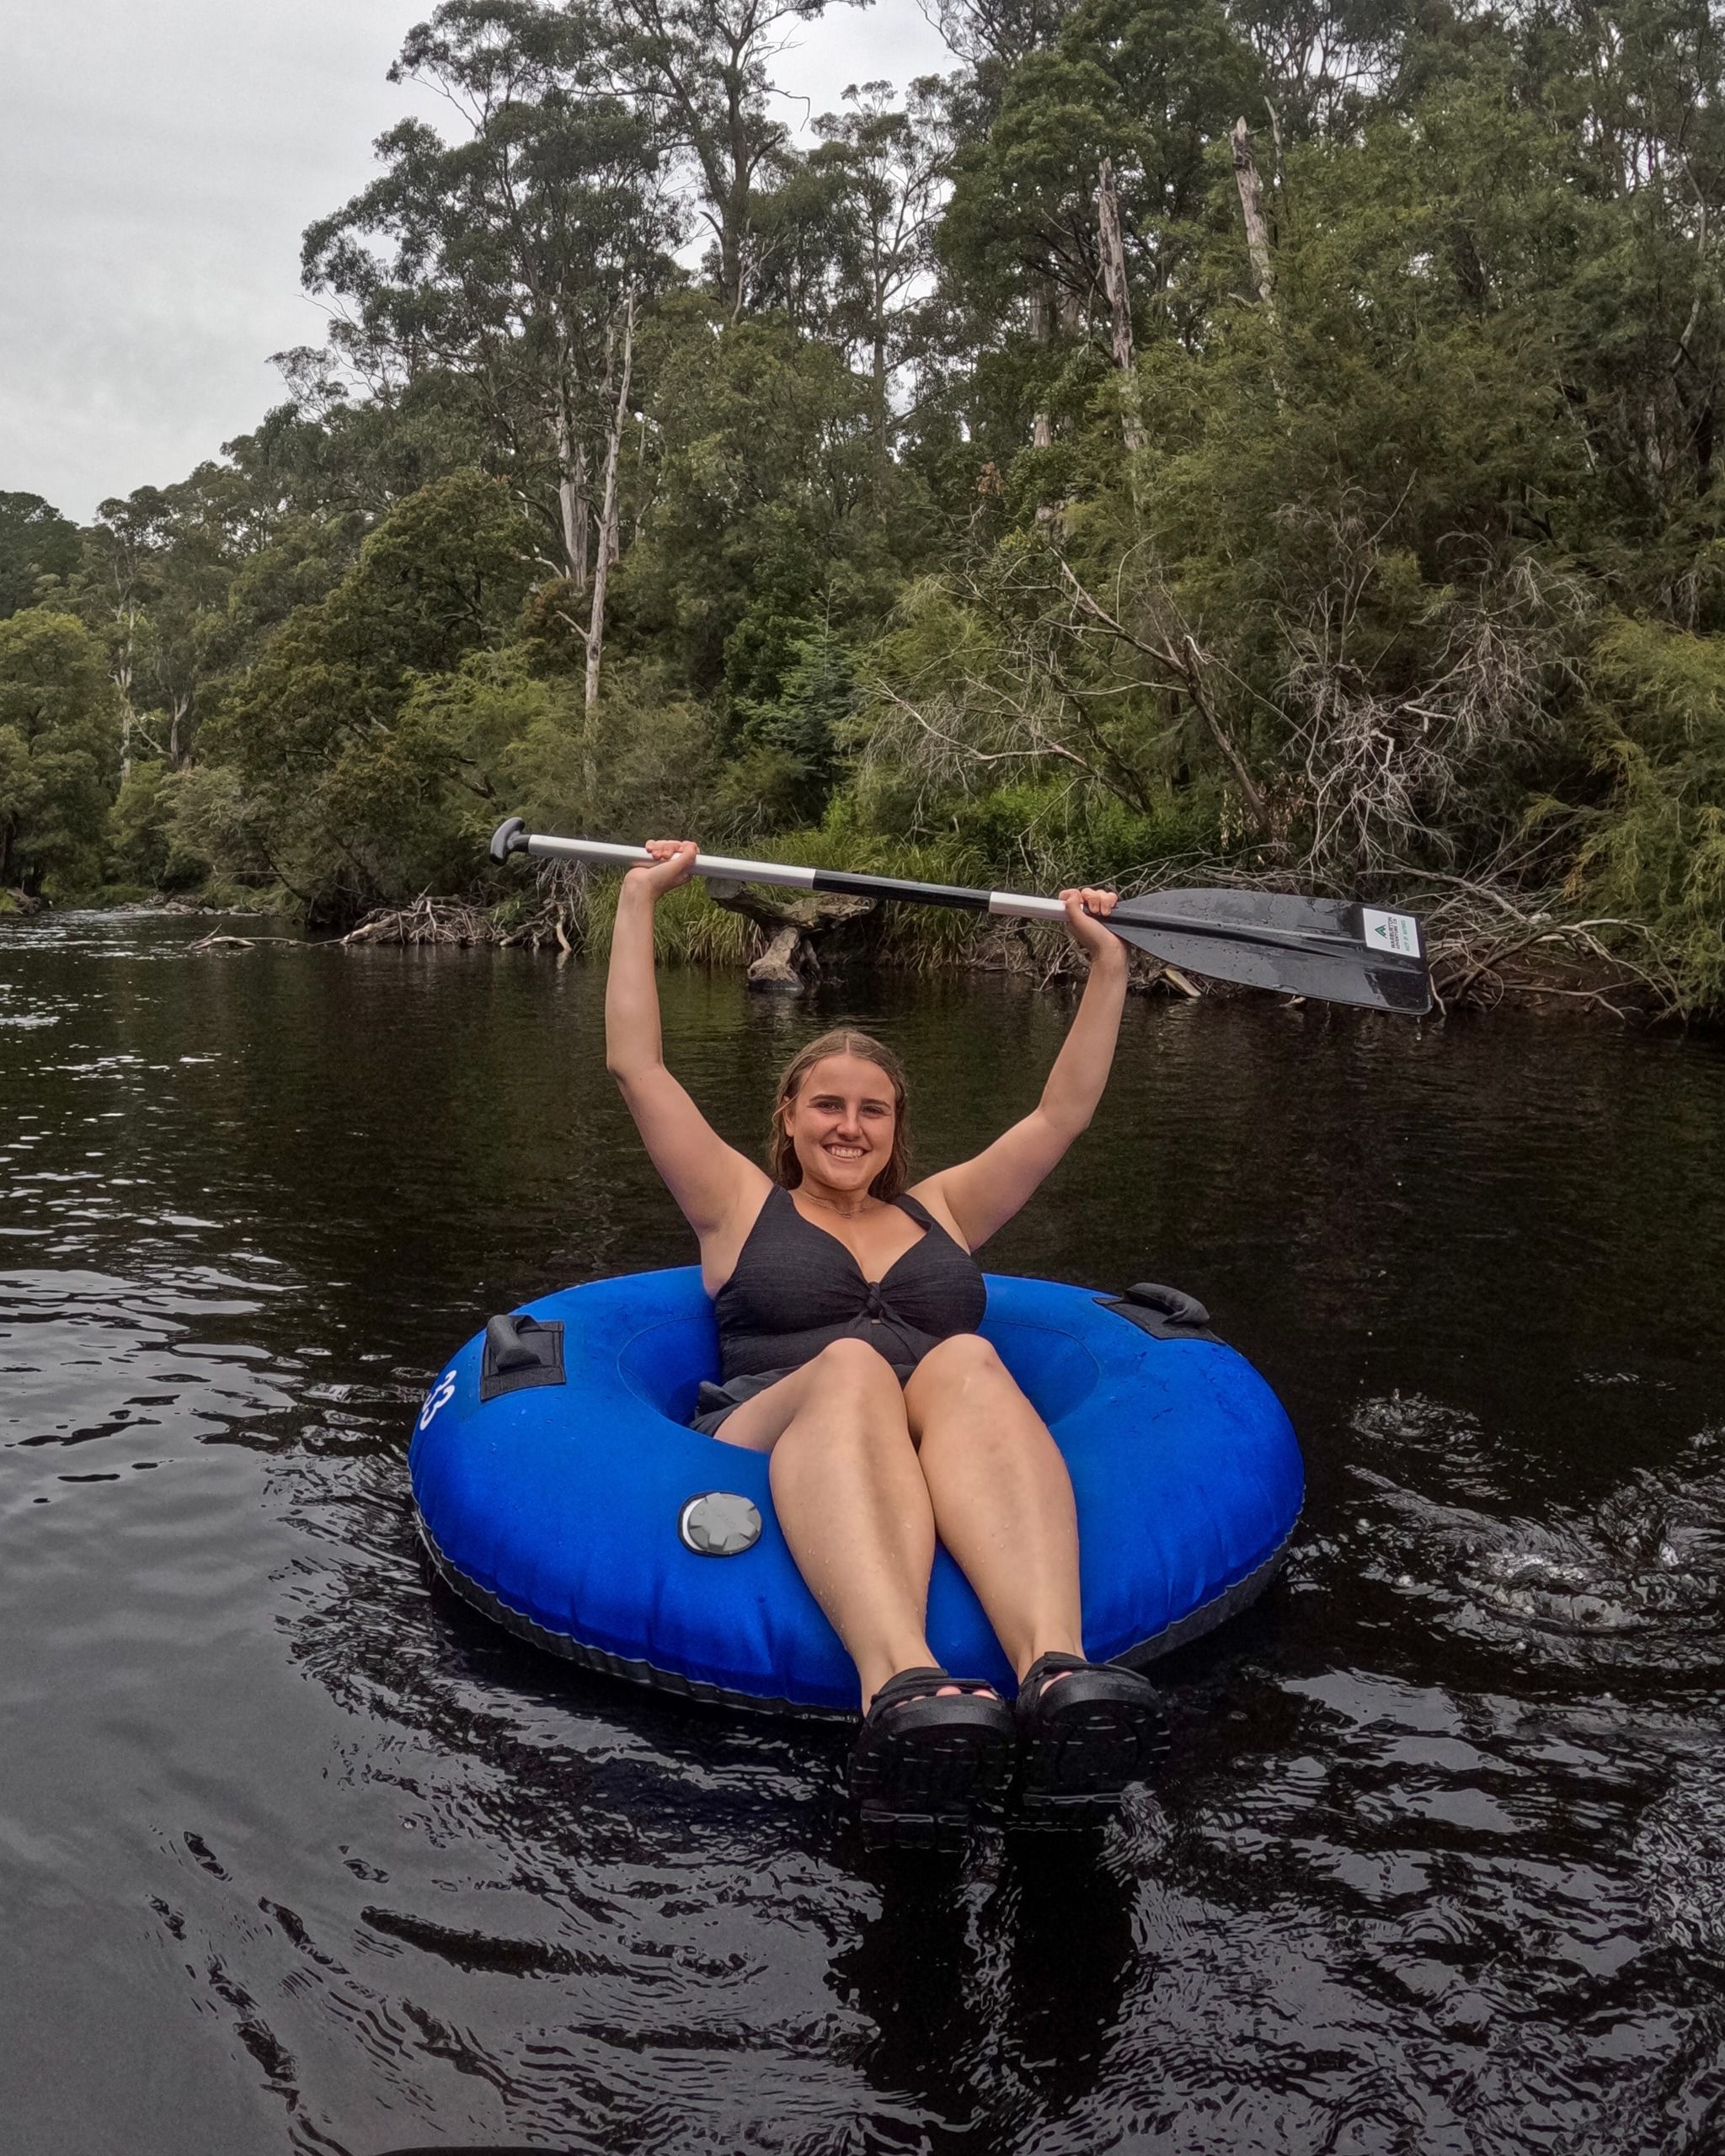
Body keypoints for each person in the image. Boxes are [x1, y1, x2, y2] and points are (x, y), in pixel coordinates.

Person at [605, 839, 1166, 1838]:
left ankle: (1056, 1670)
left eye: (872, 1109)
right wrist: (643, 898)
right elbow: (636, 1065)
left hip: (913, 1439)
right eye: (827, 1104)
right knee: (854, 1363)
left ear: (895, 1126)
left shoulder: (941, 1210)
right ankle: (898, 1681)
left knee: (965, 1356)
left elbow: (1061, 1112)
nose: (848, 1126)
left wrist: (1107, 963)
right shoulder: (734, 1203)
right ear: (789, 1115)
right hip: (770, 1430)